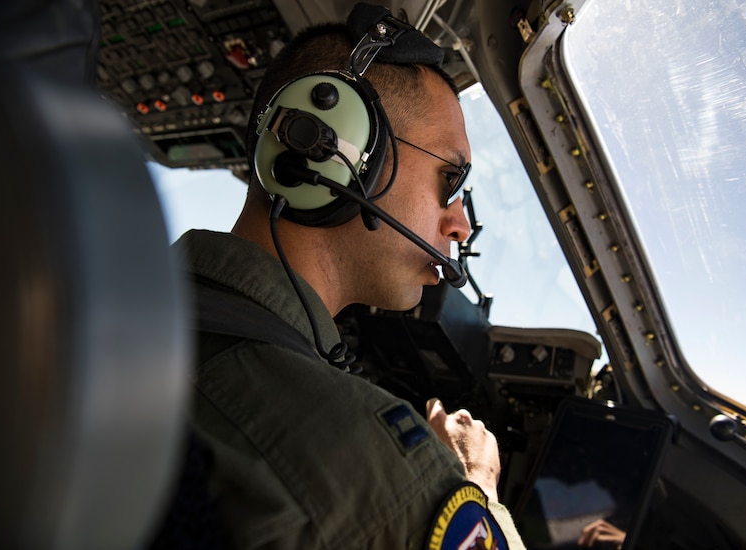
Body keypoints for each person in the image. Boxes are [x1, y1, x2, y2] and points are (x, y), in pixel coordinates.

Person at [168, 3, 526, 548]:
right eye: (447, 180)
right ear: (330, 148)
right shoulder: (374, 471)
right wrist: (477, 489)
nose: (459, 224)